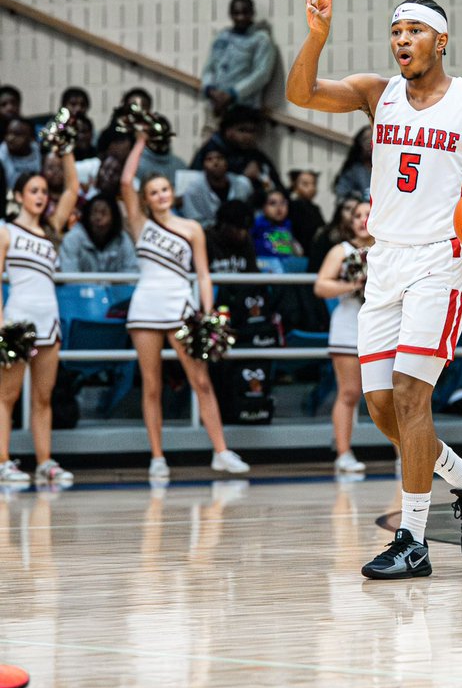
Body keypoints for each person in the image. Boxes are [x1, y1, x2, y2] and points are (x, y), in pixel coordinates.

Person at [287, 0, 462, 579]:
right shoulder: (378, 94)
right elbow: (301, 93)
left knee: (410, 395)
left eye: (414, 31)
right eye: (395, 31)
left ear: (441, 40)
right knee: (381, 410)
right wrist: (316, 37)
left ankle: (414, 539)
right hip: (386, 260)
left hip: (441, 261)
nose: (402, 41)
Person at [121, 131, 250, 481]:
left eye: (164, 189)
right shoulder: (139, 224)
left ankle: (221, 452)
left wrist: (208, 313)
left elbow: (204, 275)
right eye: (153, 192)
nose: (161, 195)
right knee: (151, 384)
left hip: (181, 306)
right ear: (146, 199)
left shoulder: (192, 228)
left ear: (172, 194)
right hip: (146, 307)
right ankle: (157, 457)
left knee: (201, 381)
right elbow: (124, 181)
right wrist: (139, 143)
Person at [0, 154, 80, 487]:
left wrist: (65, 151)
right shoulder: (5, 232)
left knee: (44, 397)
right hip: (17, 320)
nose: (41, 196)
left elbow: (73, 188)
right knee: (7, 396)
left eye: (45, 191)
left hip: (49, 321)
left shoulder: (51, 229)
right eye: (33, 190)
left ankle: (45, 462)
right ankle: (3, 462)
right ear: (18, 195)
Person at [314, 199, 373, 475]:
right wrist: (351, 284)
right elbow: (321, 286)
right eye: (357, 215)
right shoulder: (342, 250)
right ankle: (343, 453)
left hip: (383, 326)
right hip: (349, 325)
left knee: (394, 394)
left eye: (368, 214)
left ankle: (404, 455)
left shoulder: (390, 250)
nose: (362, 219)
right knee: (349, 392)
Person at [201, 0, 277, 115]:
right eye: (236, 13)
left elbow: (261, 74)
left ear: (252, 13)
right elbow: (209, 68)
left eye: (245, 13)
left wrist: (233, 93)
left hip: (244, 107)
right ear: (230, 14)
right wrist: (210, 89)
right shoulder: (222, 36)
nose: (240, 17)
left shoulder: (261, 39)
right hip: (215, 105)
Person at [191, 105, 283, 195]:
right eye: (242, 130)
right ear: (227, 130)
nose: (248, 136)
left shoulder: (256, 156)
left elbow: (275, 190)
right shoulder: (209, 152)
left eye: (252, 131)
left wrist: (262, 179)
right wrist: (243, 178)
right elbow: (196, 187)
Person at [58, 194, 139, 275]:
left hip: (117, 287)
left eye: (103, 213)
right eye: (94, 213)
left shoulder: (122, 240)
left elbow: (131, 274)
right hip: (81, 287)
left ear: (114, 218)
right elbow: (69, 276)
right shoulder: (73, 238)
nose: (98, 217)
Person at [180, 147, 252, 228]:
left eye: (220, 158)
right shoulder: (193, 190)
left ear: (226, 162)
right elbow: (194, 222)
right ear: (203, 165)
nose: (216, 163)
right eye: (209, 159)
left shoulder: (242, 184)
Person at [307, 196, 360, 272]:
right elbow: (315, 267)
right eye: (347, 208)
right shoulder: (326, 235)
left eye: (356, 209)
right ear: (339, 212)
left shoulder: (365, 235)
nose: (352, 213)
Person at [251, 189, 303, 261]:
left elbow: (297, 250)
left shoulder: (288, 224)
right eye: (272, 203)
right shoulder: (258, 224)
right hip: (265, 264)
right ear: (263, 206)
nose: (279, 208)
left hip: (286, 264)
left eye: (283, 203)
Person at [288, 170, 326, 255]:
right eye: (305, 184)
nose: (311, 188)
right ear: (294, 185)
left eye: (314, 184)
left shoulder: (315, 208)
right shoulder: (293, 205)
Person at [0, 117, 41, 192]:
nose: (10, 138)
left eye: (17, 134)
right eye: (8, 133)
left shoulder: (38, 150)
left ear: (31, 138)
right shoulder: (2, 154)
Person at [333, 126, 372, 202]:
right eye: (366, 140)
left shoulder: (386, 170)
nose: (369, 143)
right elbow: (342, 195)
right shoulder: (353, 171)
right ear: (359, 144)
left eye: (373, 138)